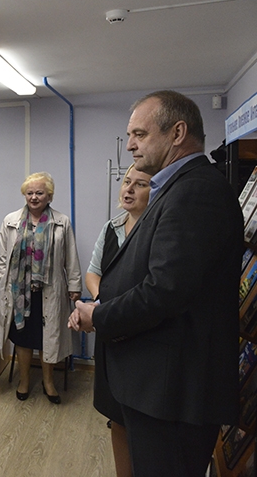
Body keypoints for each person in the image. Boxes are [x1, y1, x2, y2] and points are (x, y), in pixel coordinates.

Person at [69, 90, 242, 476]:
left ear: (177, 133)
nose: (130, 145)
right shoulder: (179, 189)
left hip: (174, 393)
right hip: (161, 386)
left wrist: (99, 317)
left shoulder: (195, 192)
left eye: (140, 134)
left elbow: (165, 291)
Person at [0, 172, 81, 404]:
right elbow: (0, 256)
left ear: (49, 196)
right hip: (19, 293)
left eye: (39, 193)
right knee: (22, 337)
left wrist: (74, 285)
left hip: (48, 290)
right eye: (29, 193)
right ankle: (24, 380)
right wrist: (1, 279)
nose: (34, 197)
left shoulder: (61, 221)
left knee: (47, 338)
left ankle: (48, 382)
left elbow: (70, 257)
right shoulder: (11, 220)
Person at [84, 163, 151, 477]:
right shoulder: (111, 228)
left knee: (143, 421)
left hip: (143, 335)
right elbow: (93, 273)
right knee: (117, 415)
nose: (129, 189)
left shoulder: (157, 229)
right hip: (111, 329)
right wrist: (104, 301)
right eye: (126, 182)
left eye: (140, 184)